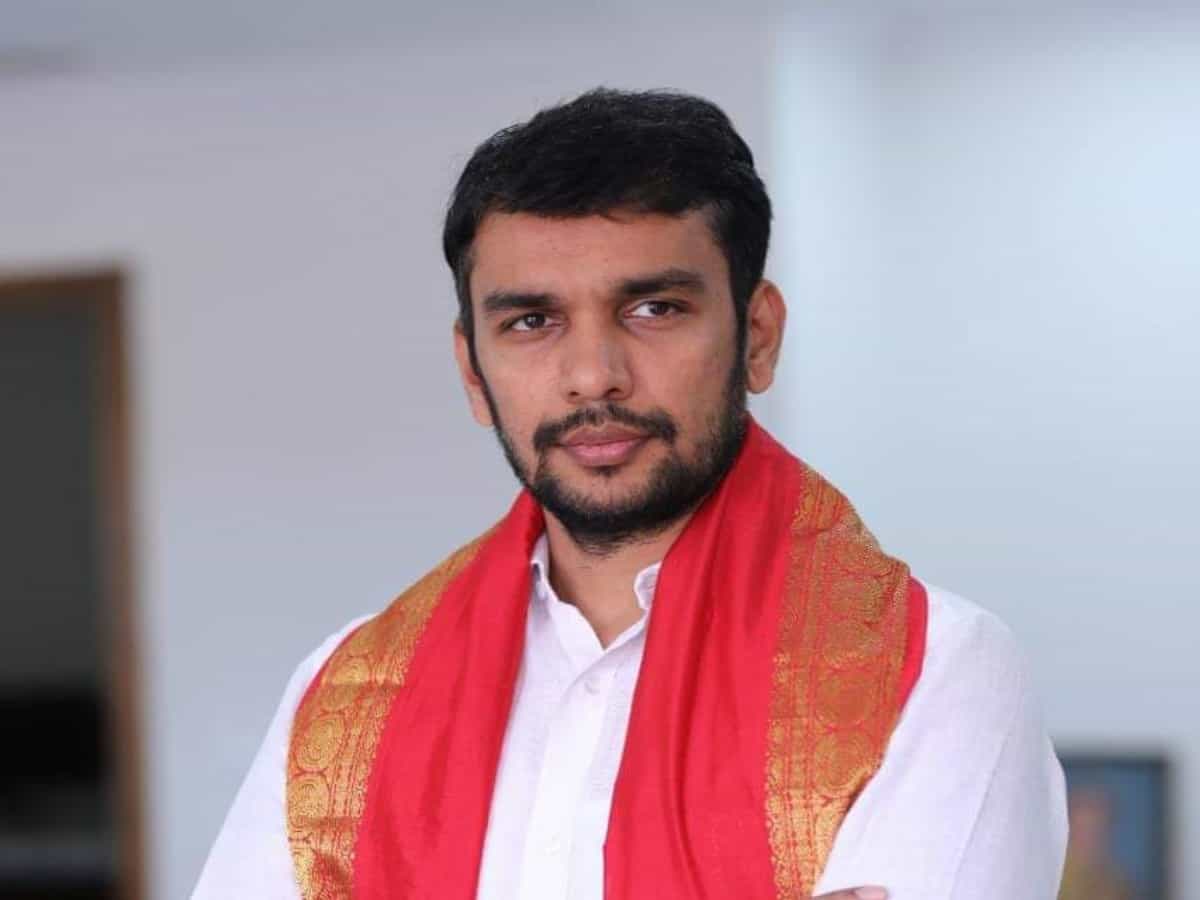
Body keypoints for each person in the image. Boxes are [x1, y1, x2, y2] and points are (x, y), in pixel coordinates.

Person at [193, 88, 1067, 900]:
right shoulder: (348, 693)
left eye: (653, 309)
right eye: (532, 322)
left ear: (758, 336)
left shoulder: (935, 668)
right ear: (472, 371)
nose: (592, 374)